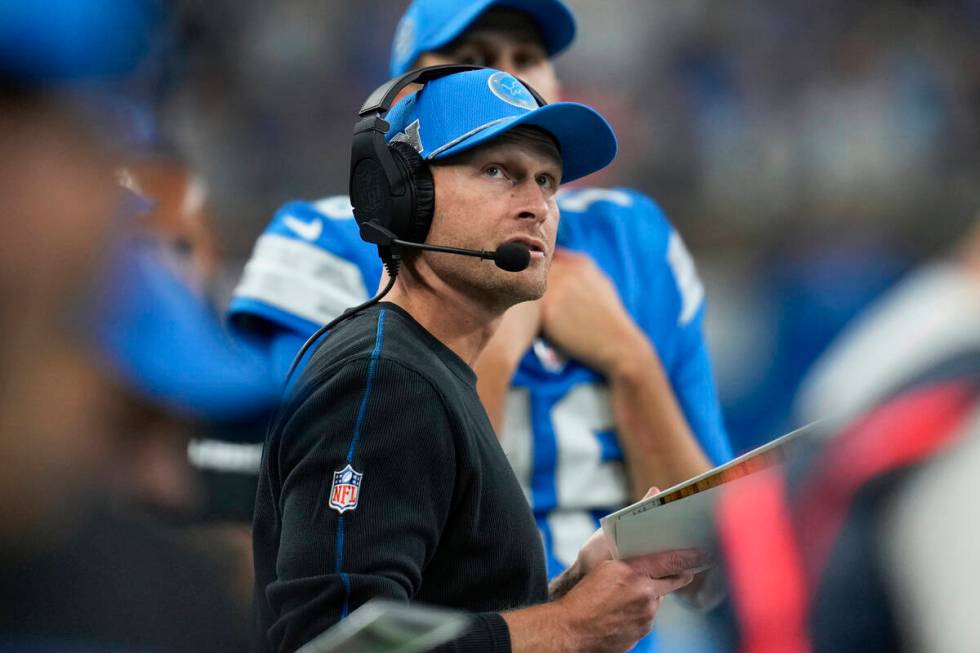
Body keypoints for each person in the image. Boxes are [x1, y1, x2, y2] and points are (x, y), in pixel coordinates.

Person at [230, 0, 732, 626]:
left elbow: (719, 565)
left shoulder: (635, 241)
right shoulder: (336, 277)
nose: (535, 204)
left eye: (546, 180)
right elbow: (333, 620)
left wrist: (630, 361)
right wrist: (568, 629)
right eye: (496, 170)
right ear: (399, 181)